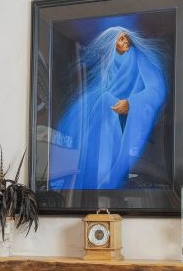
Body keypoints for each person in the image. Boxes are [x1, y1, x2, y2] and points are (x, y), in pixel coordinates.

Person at [50, 26, 167, 191]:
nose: (125, 41)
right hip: (107, 114)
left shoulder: (139, 57)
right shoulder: (108, 62)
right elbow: (106, 89)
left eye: (126, 37)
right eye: (120, 39)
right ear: (112, 44)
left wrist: (131, 103)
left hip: (126, 116)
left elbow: (157, 89)